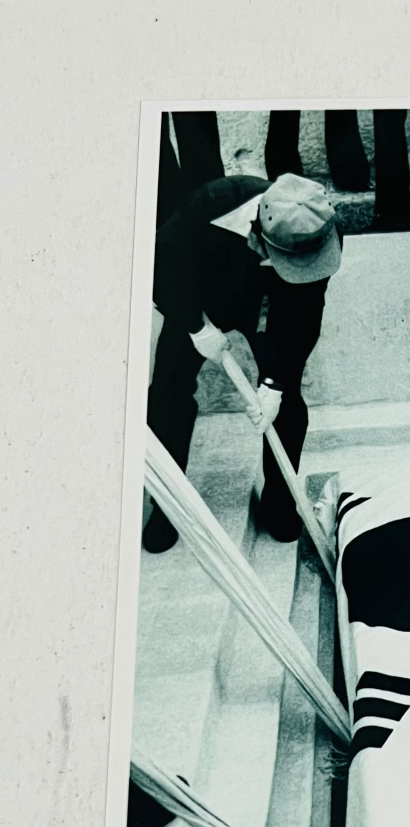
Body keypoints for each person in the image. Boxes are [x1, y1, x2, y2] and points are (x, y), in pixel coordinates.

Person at [145, 172, 342, 553]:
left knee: (287, 403)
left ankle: (280, 501)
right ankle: (168, 504)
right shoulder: (212, 202)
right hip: (200, 297)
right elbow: (162, 266)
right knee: (169, 391)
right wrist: (196, 326)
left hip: (273, 305)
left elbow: (306, 315)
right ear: (258, 234)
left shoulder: (320, 226)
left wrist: (276, 385)